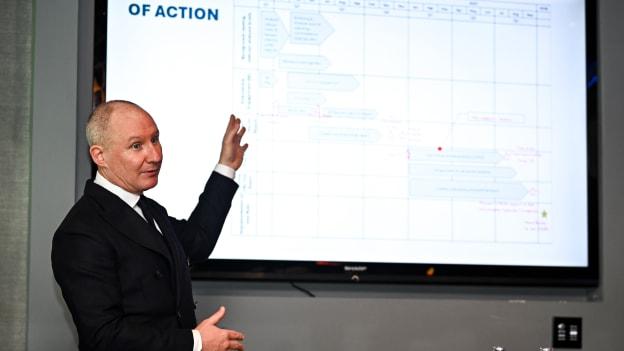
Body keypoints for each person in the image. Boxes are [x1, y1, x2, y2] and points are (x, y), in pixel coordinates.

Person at [52, 100, 247, 351]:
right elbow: (104, 337)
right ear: (100, 156)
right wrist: (196, 342)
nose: (155, 155)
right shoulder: (80, 233)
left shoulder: (149, 209)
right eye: (136, 146)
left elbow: (196, 243)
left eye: (155, 139)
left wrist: (227, 167)